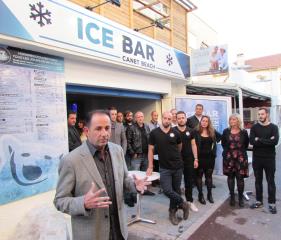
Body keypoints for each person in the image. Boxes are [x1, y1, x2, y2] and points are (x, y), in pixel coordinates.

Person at [54, 110, 150, 240]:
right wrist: (83, 203)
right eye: (98, 129)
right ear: (87, 131)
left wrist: (134, 185)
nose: (104, 133)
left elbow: (124, 179)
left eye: (107, 128)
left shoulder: (118, 151)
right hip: (92, 233)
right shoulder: (71, 161)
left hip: (119, 230)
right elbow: (60, 201)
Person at [146, 111, 189, 225]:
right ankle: (183, 204)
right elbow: (150, 150)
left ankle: (172, 212)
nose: (167, 120)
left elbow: (179, 147)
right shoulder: (154, 133)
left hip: (178, 167)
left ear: (172, 119)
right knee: (167, 190)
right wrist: (150, 165)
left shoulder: (176, 132)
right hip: (164, 167)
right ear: (162, 118)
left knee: (176, 190)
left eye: (169, 119)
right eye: (165, 118)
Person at [249, 107, 279, 214]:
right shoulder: (254, 127)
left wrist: (259, 140)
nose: (260, 116)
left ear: (267, 114)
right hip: (257, 158)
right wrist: (267, 140)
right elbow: (252, 141)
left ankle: (272, 203)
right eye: (259, 114)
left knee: (270, 181)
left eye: (262, 114)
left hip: (269, 158)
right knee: (258, 180)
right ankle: (259, 201)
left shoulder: (274, 127)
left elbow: (275, 141)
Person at [221, 114, 249, 207]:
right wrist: (229, 153)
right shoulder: (226, 131)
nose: (232, 121)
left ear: (238, 121)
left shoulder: (244, 132)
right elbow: (223, 144)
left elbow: (246, 144)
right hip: (229, 158)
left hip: (240, 158)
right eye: (230, 119)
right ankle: (232, 196)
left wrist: (238, 152)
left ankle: (240, 198)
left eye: (234, 119)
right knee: (230, 177)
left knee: (240, 178)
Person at [194, 115, 221, 204]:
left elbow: (220, 137)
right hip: (199, 158)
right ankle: (200, 195)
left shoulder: (212, 132)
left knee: (209, 177)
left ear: (208, 122)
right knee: (199, 177)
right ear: (200, 122)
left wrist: (213, 149)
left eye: (206, 121)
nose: (204, 122)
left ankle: (209, 195)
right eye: (203, 121)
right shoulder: (196, 132)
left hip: (210, 158)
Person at [175, 111, 199, 212]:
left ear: (185, 119)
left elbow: (194, 145)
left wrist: (196, 159)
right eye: (179, 118)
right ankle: (178, 202)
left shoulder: (191, 131)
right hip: (176, 160)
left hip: (189, 159)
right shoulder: (173, 130)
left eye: (183, 117)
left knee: (189, 182)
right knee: (176, 183)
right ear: (176, 120)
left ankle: (189, 201)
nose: (181, 119)